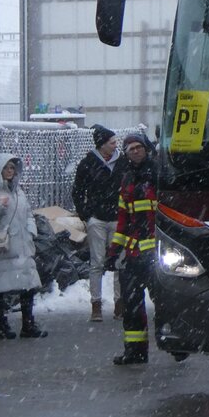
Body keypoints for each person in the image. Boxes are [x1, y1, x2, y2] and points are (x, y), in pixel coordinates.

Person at [0, 153, 47, 340]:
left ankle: (28, 324)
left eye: (12, 168)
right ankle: (2, 326)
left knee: (28, 286)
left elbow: (28, 213)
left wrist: (31, 231)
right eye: (6, 167)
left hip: (22, 247)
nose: (10, 171)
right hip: (1, 248)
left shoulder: (19, 192)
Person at [104, 133, 158, 365]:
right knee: (132, 305)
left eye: (138, 147)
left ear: (146, 149)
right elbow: (123, 219)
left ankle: (176, 342)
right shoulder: (127, 179)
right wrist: (114, 251)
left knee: (165, 302)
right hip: (135, 254)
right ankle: (135, 351)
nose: (135, 151)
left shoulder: (158, 174)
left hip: (158, 253)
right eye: (130, 149)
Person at [71, 124, 126, 322]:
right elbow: (78, 190)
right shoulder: (88, 163)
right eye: (111, 142)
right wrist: (86, 215)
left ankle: (120, 304)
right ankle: (96, 304)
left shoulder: (122, 162)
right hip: (97, 219)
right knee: (97, 262)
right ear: (101, 144)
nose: (115, 145)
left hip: (118, 218)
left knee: (120, 262)